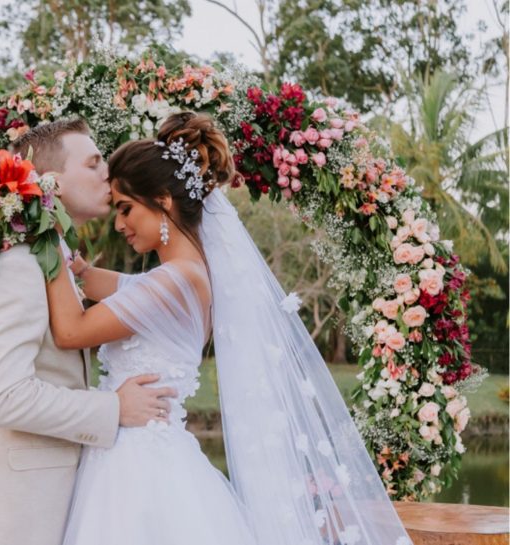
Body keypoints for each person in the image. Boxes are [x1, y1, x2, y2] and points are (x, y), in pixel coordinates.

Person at [46, 112, 413, 545]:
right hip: (138, 453)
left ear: (163, 200)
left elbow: (71, 331)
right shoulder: (179, 276)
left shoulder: (175, 280)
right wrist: (72, 257)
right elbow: (94, 281)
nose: (119, 224)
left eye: (126, 209)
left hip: (141, 466)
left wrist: (41, 229)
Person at [0, 119, 177, 545]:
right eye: (94, 162)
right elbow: (5, 397)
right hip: (12, 518)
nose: (108, 173)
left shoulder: (53, 255)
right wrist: (113, 409)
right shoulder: (16, 262)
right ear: (51, 182)